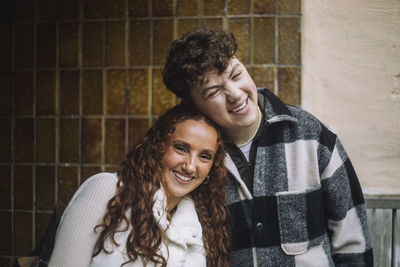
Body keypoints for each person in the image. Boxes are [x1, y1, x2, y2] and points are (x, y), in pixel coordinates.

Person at [162, 28, 373, 266]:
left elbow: (353, 241)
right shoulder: (193, 162)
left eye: (236, 74)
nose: (235, 94)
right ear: (193, 105)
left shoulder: (310, 135)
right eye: (213, 91)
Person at [48, 104, 230, 267]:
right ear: (158, 146)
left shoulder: (202, 226)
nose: (190, 166)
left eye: (205, 156)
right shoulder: (107, 189)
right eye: (181, 148)